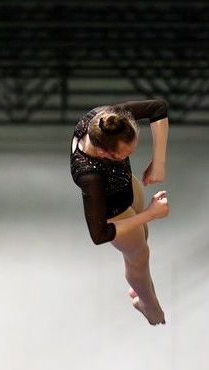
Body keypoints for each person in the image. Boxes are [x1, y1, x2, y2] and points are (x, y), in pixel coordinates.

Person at [70, 100, 170, 325]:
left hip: (124, 185)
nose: (130, 155)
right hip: (113, 212)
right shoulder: (89, 176)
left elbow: (158, 108)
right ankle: (147, 305)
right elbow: (99, 235)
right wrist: (151, 213)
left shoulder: (106, 119)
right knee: (139, 257)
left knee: (143, 236)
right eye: (123, 154)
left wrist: (159, 162)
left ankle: (140, 289)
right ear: (103, 153)